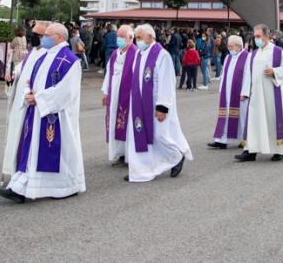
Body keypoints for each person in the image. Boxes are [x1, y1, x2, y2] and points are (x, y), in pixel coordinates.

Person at [0, 23, 85, 202]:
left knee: (57, 152)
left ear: (58, 37)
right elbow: (31, 83)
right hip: (36, 113)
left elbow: (67, 92)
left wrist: (40, 99)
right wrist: (27, 95)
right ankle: (21, 187)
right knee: (32, 149)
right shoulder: (43, 57)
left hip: (57, 116)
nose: (42, 38)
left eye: (46, 35)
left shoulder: (69, 61)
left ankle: (66, 187)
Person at [123, 24, 192, 182]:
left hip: (156, 104)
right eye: (136, 38)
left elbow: (167, 81)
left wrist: (162, 107)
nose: (137, 41)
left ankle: (177, 156)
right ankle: (141, 169)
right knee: (140, 135)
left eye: (139, 38)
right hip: (140, 105)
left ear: (150, 37)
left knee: (159, 135)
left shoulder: (162, 55)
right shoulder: (140, 54)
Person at [235, 24, 283, 162]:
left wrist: (275, 71)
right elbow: (250, 75)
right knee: (254, 121)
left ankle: (279, 151)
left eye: (258, 36)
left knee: (272, 120)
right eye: (254, 36)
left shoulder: (278, 51)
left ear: (267, 36)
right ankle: (250, 150)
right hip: (256, 94)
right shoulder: (254, 53)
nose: (256, 39)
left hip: (272, 94)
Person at [101, 25, 136, 168]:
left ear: (130, 38)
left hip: (128, 95)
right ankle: (120, 154)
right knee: (116, 121)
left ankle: (130, 155)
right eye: (118, 37)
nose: (119, 39)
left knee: (127, 124)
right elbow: (109, 71)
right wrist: (106, 92)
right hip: (115, 91)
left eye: (122, 37)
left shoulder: (136, 53)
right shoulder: (115, 53)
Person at [208, 35, 250, 149]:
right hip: (227, 92)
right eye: (228, 46)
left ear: (239, 46)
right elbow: (225, 74)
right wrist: (222, 89)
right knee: (225, 115)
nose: (229, 48)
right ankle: (222, 140)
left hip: (240, 93)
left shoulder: (248, 57)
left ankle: (244, 140)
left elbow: (249, 76)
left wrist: (245, 92)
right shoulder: (228, 57)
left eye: (231, 46)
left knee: (242, 117)